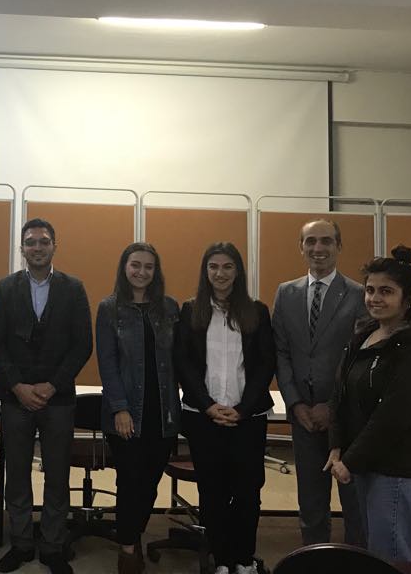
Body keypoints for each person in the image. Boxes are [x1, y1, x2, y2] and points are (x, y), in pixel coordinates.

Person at [0, 218, 92, 574]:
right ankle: (21, 543)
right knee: (16, 473)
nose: (37, 247)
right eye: (30, 242)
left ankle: (52, 545)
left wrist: (52, 385)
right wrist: (18, 386)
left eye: (44, 241)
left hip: (57, 399)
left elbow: (82, 344)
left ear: (54, 246)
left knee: (57, 475)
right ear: (22, 248)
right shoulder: (6, 288)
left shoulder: (73, 289)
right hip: (16, 398)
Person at [326, 246, 411, 563]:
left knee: (390, 558)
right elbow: (339, 393)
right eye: (370, 290)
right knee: (372, 554)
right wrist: (336, 446)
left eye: (386, 291)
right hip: (361, 462)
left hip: (394, 469)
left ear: (408, 298)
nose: (375, 298)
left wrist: (350, 460)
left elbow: (392, 416)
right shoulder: (364, 335)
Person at [174, 242, 275, 574]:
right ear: (205, 271)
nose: (220, 273)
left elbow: (265, 364)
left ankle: (244, 560)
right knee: (212, 492)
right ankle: (221, 560)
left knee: (248, 492)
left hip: (248, 418)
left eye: (227, 266)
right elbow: (183, 363)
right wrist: (208, 406)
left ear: (238, 271)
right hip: (204, 418)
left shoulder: (256, 311)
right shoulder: (191, 310)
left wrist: (242, 409)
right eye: (213, 266)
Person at [272, 219, 366, 546]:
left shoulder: (359, 294)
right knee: (311, 504)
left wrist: (332, 406)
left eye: (326, 241)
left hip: (347, 417)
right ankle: (314, 560)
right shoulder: (286, 293)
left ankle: (356, 563)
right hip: (303, 418)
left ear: (339, 246)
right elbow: (281, 351)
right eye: (310, 241)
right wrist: (295, 403)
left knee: (354, 503)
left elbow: (359, 359)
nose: (318, 248)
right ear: (301, 247)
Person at [95, 242, 181, 574]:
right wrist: (120, 408)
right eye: (135, 265)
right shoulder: (109, 308)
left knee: (150, 483)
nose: (141, 272)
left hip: (163, 413)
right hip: (126, 412)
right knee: (130, 481)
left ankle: (132, 534)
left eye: (148, 266)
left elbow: (179, 359)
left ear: (155, 271)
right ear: (124, 268)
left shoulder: (169, 308)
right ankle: (128, 549)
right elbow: (108, 363)